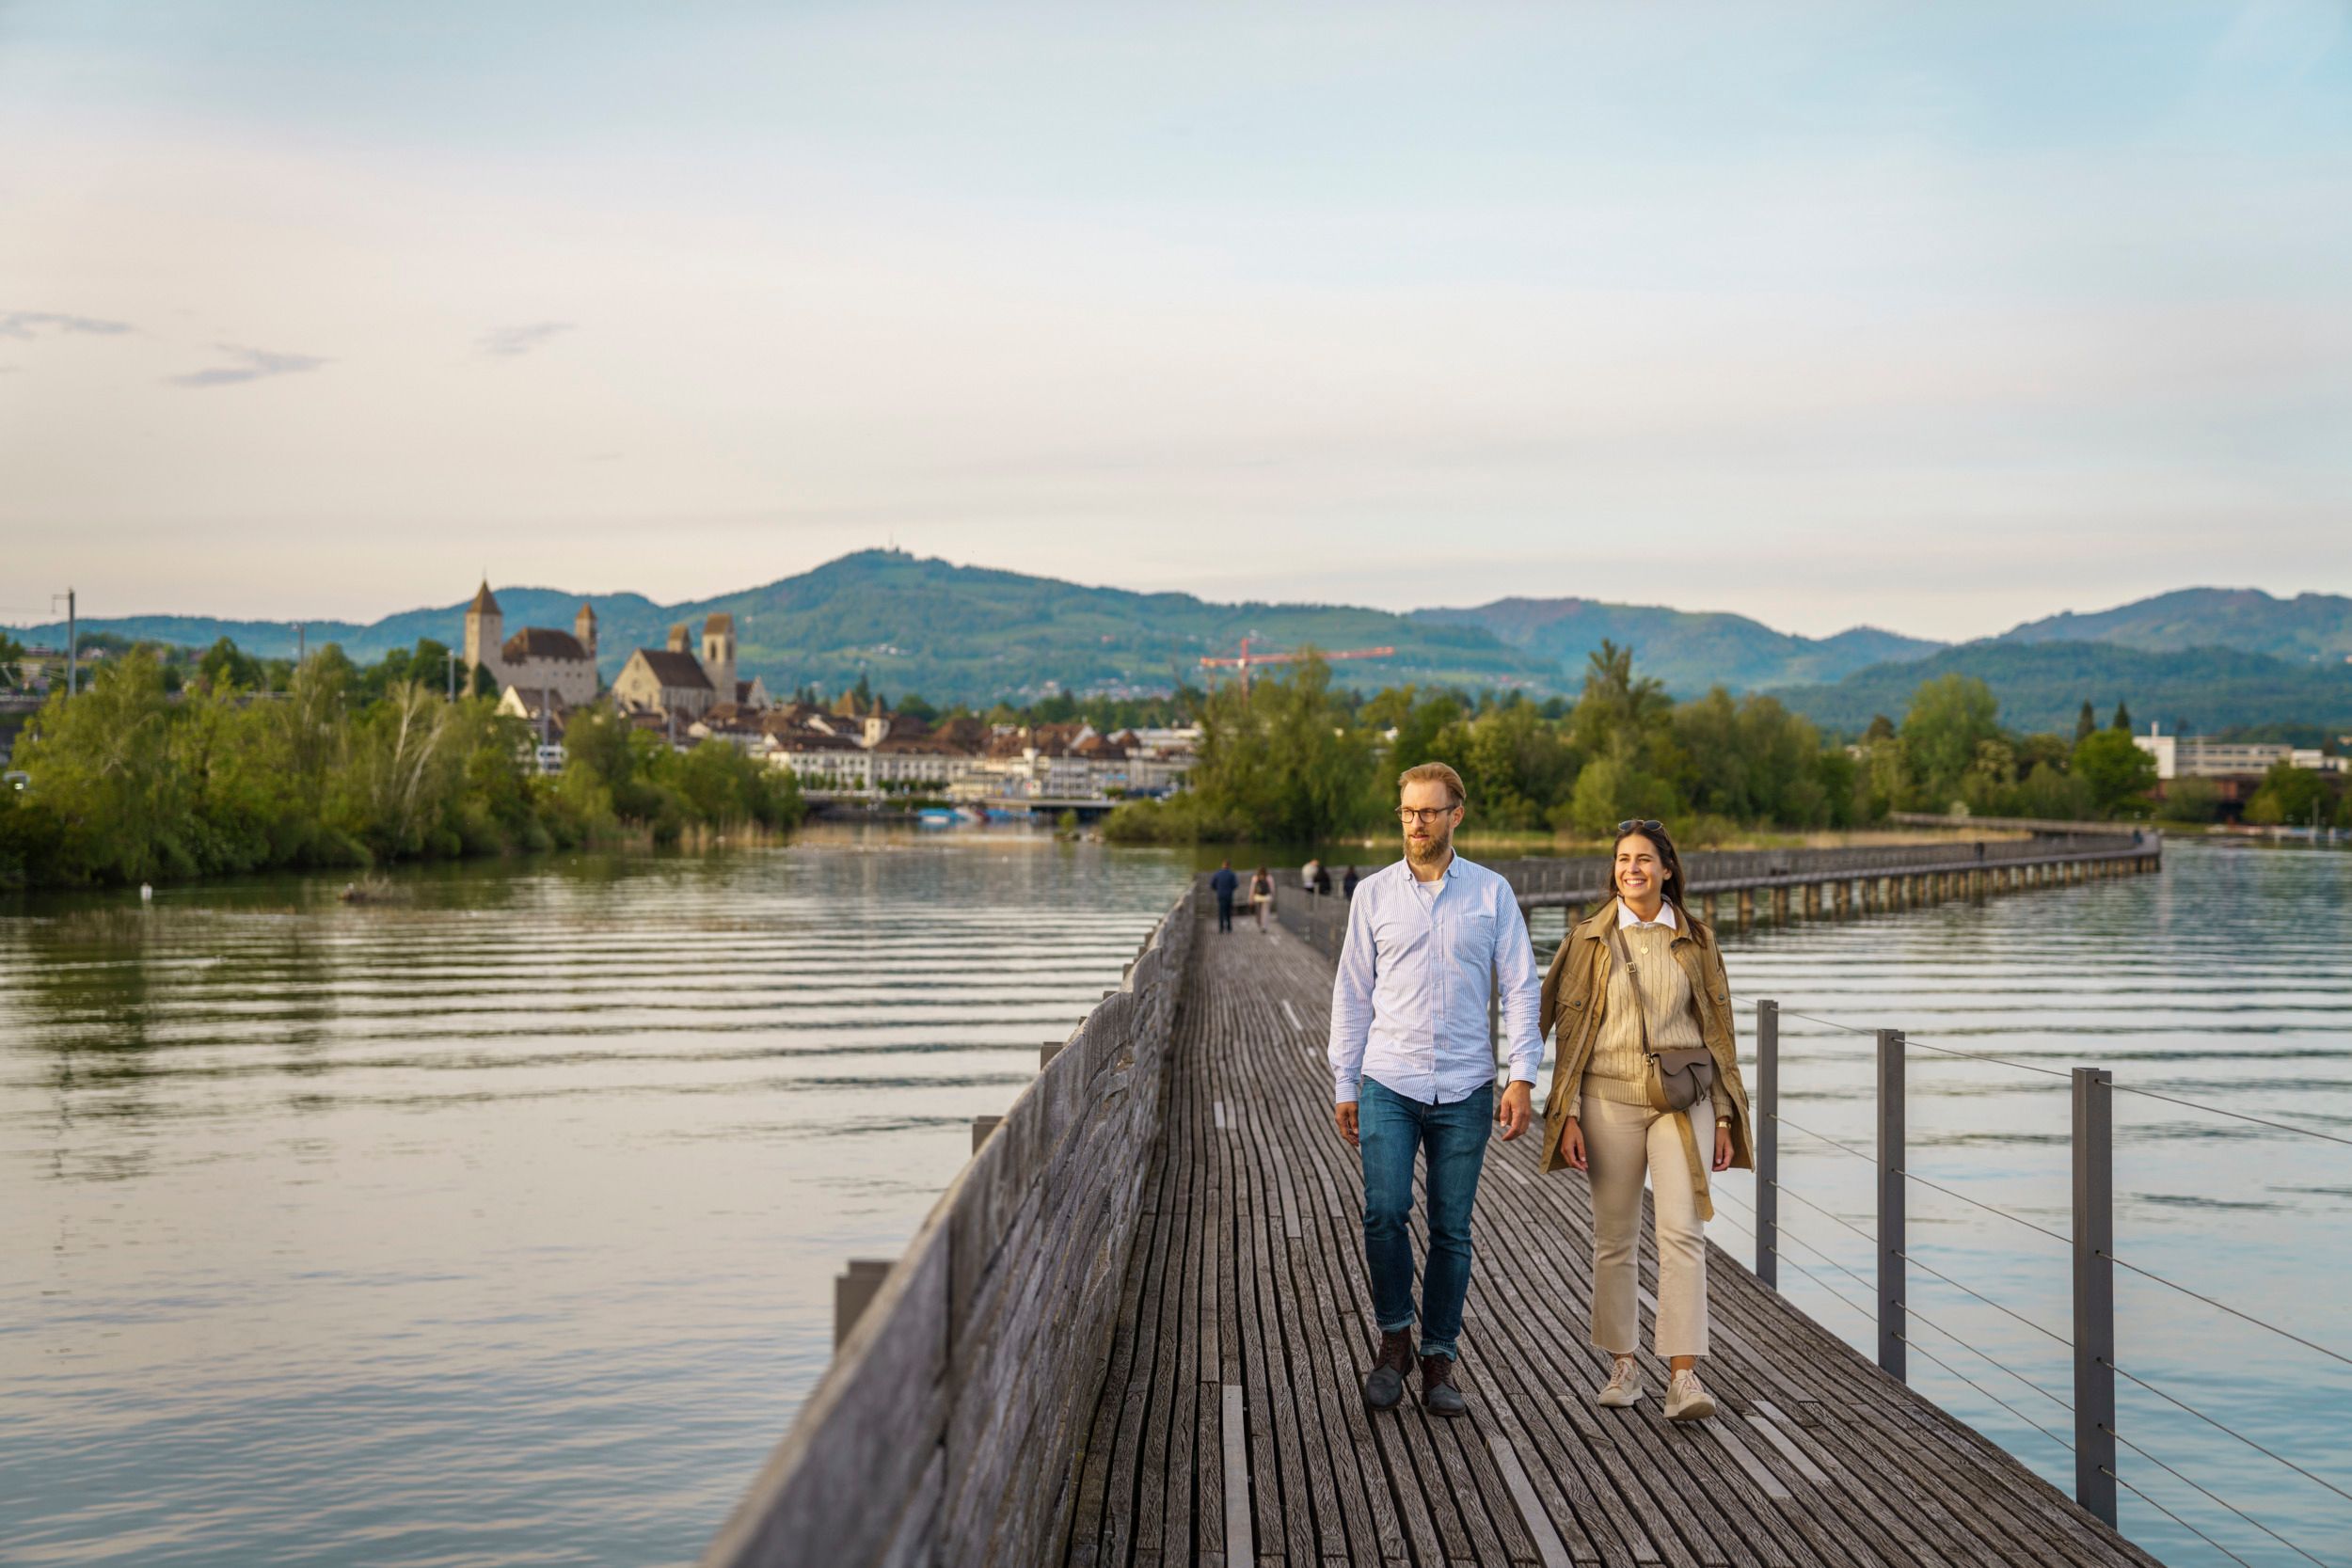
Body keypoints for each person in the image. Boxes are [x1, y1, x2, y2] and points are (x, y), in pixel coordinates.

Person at [1328, 762, 1539, 1417]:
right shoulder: (1373, 895)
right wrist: (1346, 1079)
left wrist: (1523, 1075)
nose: (1416, 823)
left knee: (1452, 1227)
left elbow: (1523, 985)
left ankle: (1439, 1358)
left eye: (1429, 811)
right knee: (1385, 1211)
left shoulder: (1492, 893)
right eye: (1407, 812)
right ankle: (1395, 1341)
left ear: (1457, 815)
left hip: (1469, 1084)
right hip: (1389, 1078)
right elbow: (1352, 992)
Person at [1537, 818, 1753, 1422]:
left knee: (1682, 1231)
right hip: (1606, 1098)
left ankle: (1684, 1377)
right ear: (1614, 870)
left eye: (1644, 859)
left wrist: (1728, 1118)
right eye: (1623, 859)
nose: (1632, 868)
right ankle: (1623, 1365)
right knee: (1615, 1238)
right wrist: (1569, 1111)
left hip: (1684, 1101)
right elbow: (1558, 1027)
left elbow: (1722, 1035)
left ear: (1667, 869)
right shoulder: (1586, 939)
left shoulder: (1698, 940)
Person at [1209, 860, 1239, 934]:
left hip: (1220, 895)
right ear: (1229, 866)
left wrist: (1217, 889)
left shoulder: (1217, 874)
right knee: (1228, 911)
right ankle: (1229, 928)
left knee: (1221, 911)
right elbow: (1235, 885)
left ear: (1222, 865)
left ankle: (1221, 928)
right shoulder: (1232, 874)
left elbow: (1212, 884)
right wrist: (1230, 889)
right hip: (1229, 895)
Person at [1249, 866, 1275, 932]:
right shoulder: (1269, 877)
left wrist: (1250, 899)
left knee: (1258, 912)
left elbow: (1252, 889)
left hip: (1257, 897)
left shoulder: (1255, 877)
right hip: (1266, 897)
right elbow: (1272, 889)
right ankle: (1264, 926)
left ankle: (1259, 923)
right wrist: (1272, 896)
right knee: (1265, 912)